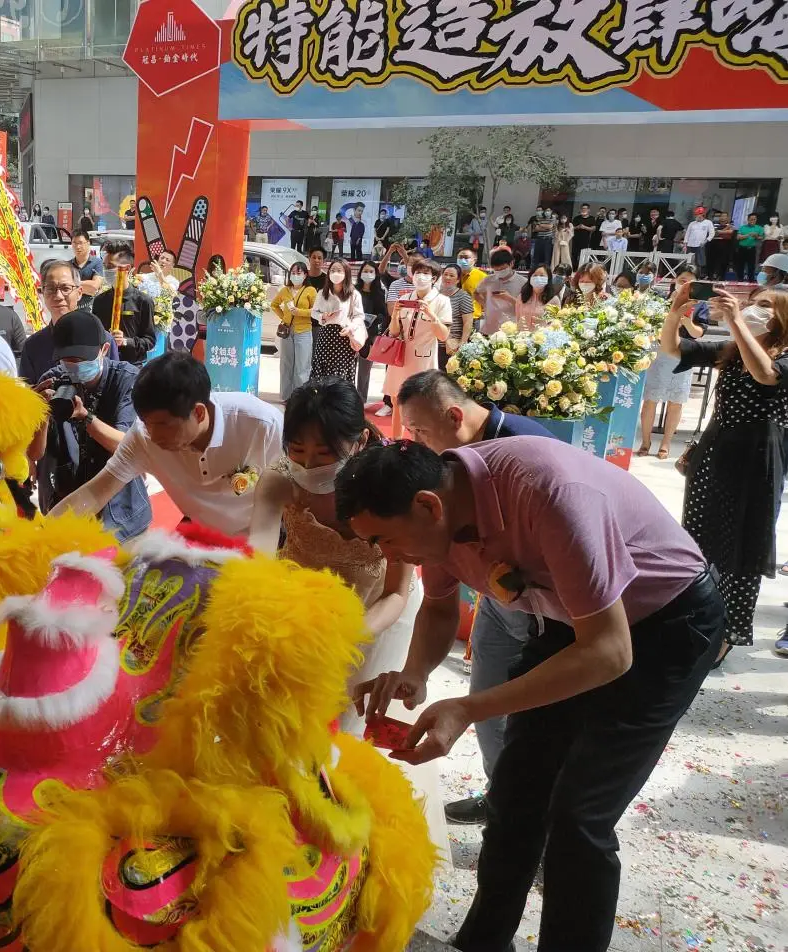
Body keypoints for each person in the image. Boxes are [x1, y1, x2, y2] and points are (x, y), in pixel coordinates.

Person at [338, 436, 724, 952]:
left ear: (427, 506)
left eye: (384, 540)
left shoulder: (548, 495)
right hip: (570, 620)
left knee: (578, 814)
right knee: (517, 788)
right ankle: (483, 939)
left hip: (665, 623)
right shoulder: (440, 510)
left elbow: (609, 653)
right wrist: (415, 672)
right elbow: (437, 606)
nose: (387, 556)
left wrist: (469, 708)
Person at [247, 378, 446, 848]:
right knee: (284, 721)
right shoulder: (279, 479)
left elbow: (398, 591)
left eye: (324, 454)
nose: (308, 465)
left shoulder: (386, 486)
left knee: (349, 729)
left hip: (376, 614)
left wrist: (346, 633)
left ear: (358, 441)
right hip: (300, 608)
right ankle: (284, 825)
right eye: (297, 450)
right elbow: (256, 559)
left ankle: (341, 835)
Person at [394, 371, 556, 825]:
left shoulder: (526, 452)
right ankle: (499, 796)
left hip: (548, 614)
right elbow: (439, 597)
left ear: (453, 415)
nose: (419, 444)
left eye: (422, 432)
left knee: (535, 720)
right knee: (487, 703)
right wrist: (416, 671)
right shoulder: (448, 468)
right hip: (497, 606)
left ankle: (534, 820)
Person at [660, 284, 788, 665]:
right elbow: (673, 349)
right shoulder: (734, 348)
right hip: (716, 452)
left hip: (756, 460)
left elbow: (766, 375)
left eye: (764, 306)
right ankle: (694, 616)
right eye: (752, 304)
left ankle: (727, 631)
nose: (753, 310)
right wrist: (675, 313)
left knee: (741, 546)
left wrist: (735, 321)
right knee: (700, 538)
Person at [51, 351, 282, 536]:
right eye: (146, 423)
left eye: (164, 425)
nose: (154, 436)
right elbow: (94, 493)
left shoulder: (261, 424)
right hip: (202, 536)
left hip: (264, 537)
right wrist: (39, 534)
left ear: (199, 413)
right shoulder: (143, 435)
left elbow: (297, 497)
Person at [27, 309, 149, 540]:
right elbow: (34, 453)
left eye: (80, 360)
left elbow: (127, 445)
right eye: (67, 360)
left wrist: (86, 418)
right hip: (68, 506)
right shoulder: (52, 379)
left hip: (122, 514)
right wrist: (40, 414)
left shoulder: (127, 379)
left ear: (104, 350)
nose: (73, 367)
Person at [637, 270, 705, 461]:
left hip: (684, 353)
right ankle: (645, 441)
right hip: (659, 352)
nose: (684, 284)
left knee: (676, 402)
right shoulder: (660, 299)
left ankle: (665, 443)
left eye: (689, 282)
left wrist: (686, 320)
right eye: (681, 280)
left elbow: (699, 333)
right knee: (651, 399)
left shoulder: (700, 306)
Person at [384, 258, 451, 439]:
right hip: (401, 356)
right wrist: (396, 314)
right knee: (396, 400)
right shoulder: (405, 298)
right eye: (418, 272)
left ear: (434, 278)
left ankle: (418, 442)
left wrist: (430, 314)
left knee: (419, 401)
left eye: (426, 273)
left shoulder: (442, 301)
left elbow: (443, 335)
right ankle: (395, 442)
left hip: (423, 358)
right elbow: (394, 332)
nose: (420, 277)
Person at [92, 239, 156, 364]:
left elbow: (150, 341)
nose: (106, 271)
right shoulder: (100, 301)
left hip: (132, 366)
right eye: (104, 266)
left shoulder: (143, 301)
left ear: (126, 268)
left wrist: (126, 341)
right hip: (105, 365)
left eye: (110, 266)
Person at [311, 258, 365, 384]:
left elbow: (359, 316)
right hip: (326, 336)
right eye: (333, 270)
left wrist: (351, 327)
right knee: (322, 374)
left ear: (346, 273)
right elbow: (314, 312)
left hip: (344, 337)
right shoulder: (322, 293)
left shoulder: (354, 294)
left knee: (341, 374)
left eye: (339, 270)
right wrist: (323, 317)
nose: (335, 273)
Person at [273, 261, 317, 400]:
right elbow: (274, 305)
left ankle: (300, 398)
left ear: (305, 275)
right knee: (286, 364)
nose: (295, 275)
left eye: (299, 273)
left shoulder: (310, 290)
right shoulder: (285, 290)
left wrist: (299, 312)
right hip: (287, 331)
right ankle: (286, 397)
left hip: (303, 331)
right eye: (293, 273)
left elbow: (316, 311)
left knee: (302, 367)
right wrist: (285, 317)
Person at [355, 261, 389, 403]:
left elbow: (383, 314)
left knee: (365, 370)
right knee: (348, 367)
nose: (367, 274)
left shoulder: (380, 293)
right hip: (353, 333)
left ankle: (361, 398)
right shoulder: (353, 290)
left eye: (371, 272)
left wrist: (374, 319)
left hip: (370, 335)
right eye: (365, 271)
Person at [474, 247, 525, 335]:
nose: (499, 272)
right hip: (489, 328)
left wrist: (509, 298)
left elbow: (526, 307)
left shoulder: (523, 282)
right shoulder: (488, 280)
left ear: (511, 263)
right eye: (496, 270)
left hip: (511, 329)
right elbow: (476, 293)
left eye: (503, 269)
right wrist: (486, 305)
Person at [438, 263, 475, 365]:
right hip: (434, 343)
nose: (447, 277)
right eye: (445, 274)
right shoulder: (435, 294)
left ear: (458, 280)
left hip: (452, 344)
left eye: (451, 275)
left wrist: (462, 343)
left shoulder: (463, 296)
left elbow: (468, 322)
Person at [513, 263, 557, 329]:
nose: (538, 278)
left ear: (548, 279)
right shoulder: (522, 296)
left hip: (542, 338)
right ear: (530, 278)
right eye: (535, 275)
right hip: (522, 337)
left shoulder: (554, 300)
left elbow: (555, 323)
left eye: (542, 276)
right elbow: (518, 318)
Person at [68, 228, 104, 307]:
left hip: (90, 309)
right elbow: (65, 289)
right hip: (72, 309)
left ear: (88, 243)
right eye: (74, 243)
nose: (78, 246)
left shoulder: (97, 262)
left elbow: (94, 287)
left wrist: (72, 285)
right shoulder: (67, 265)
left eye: (80, 243)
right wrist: (86, 287)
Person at [455, 248, 488, 330]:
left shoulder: (482, 277)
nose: (462, 260)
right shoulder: (452, 274)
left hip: (472, 318)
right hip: (453, 317)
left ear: (474, 260)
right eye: (460, 257)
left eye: (466, 257)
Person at [684, 206, 715, 273]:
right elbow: (687, 234)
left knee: (700, 261)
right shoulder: (692, 223)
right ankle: (688, 273)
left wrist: (706, 241)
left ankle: (699, 274)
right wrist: (685, 244)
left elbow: (712, 233)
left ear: (703, 215)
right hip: (690, 244)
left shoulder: (708, 222)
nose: (698, 216)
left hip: (700, 244)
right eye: (697, 215)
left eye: (699, 215)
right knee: (689, 260)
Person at [735, 213, 763, 282]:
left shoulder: (759, 228)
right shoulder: (742, 227)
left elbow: (761, 238)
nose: (753, 221)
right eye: (751, 219)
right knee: (740, 265)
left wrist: (756, 236)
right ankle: (740, 280)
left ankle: (751, 281)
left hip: (752, 249)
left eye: (754, 219)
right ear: (748, 220)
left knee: (751, 266)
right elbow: (738, 237)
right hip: (742, 249)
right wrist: (748, 235)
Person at [708, 210, 736, 280]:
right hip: (714, 245)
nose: (723, 218)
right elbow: (714, 233)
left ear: (727, 218)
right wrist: (725, 231)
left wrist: (721, 232)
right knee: (713, 261)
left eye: (725, 216)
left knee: (724, 261)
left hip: (726, 245)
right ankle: (711, 275)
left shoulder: (731, 225)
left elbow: (731, 232)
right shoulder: (714, 224)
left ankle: (721, 277)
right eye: (721, 216)